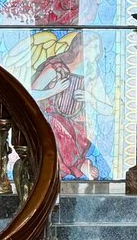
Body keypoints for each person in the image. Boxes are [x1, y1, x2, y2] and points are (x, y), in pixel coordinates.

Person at [30, 34, 112, 180]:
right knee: (57, 129)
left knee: (73, 135)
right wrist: (53, 91)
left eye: (98, 49)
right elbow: (30, 95)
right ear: (80, 47)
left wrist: (91, 99)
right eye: (94, 47)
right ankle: (78, 165)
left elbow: (109, 109)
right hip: (52, 119)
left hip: (78, 125)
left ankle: (77, 164)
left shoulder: (92, 74)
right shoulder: (57, 68)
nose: (98, 52)